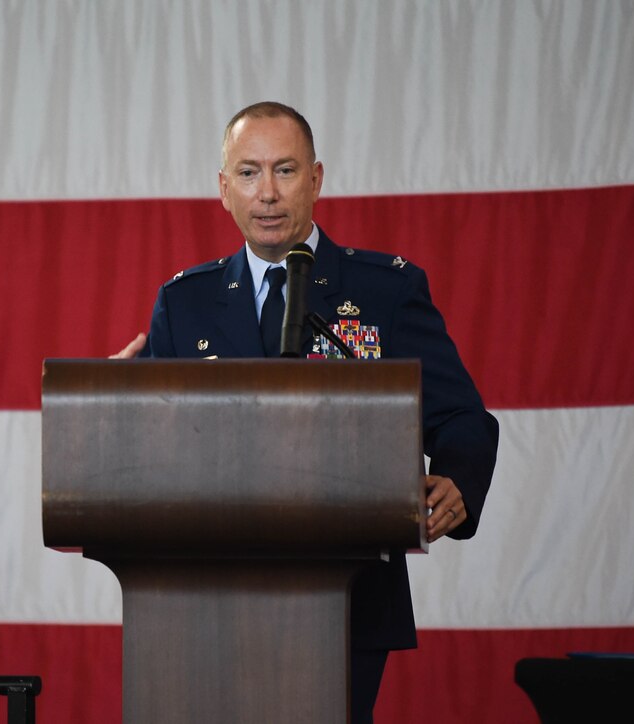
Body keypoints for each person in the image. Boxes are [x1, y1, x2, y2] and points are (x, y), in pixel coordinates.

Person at [112, 101, 498, 722]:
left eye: (285, 170)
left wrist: (458, 476)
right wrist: (113, 407)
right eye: (248, 173)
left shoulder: (384, 290)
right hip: (206, 603)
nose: (267, 193)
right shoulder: (186, 303)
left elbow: (463, 418)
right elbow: (156, 441)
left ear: (316, 179)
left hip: (345, 598)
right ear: (222, 190)